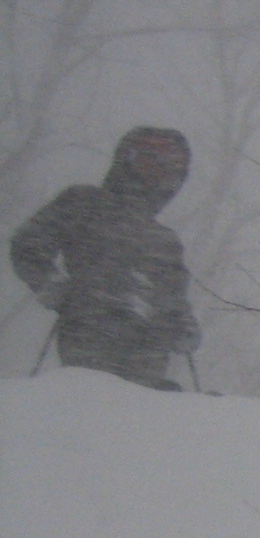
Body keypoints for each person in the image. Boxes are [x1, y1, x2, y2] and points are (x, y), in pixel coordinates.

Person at [11, 126, 200, 391]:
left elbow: (173, 300)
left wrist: (183, 324)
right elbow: (27, 246)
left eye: (169, 164)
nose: (156, 169)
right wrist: (51, 286)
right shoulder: (83, 203)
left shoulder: (164, 241)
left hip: (148, 355)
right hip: (91, 332)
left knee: (134, 411)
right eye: (147, 157)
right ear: (126, 159)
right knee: (93, 397)